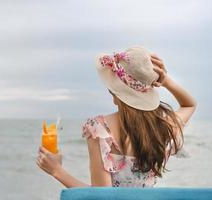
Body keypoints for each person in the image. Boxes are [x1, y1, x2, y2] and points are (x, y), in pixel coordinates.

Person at [36, 46, 197, 187]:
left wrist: (56, 171)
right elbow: (189, 104)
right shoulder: (164, 125)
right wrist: (165, 80)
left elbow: (102, 198)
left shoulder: (99, 128)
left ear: (114, 91)